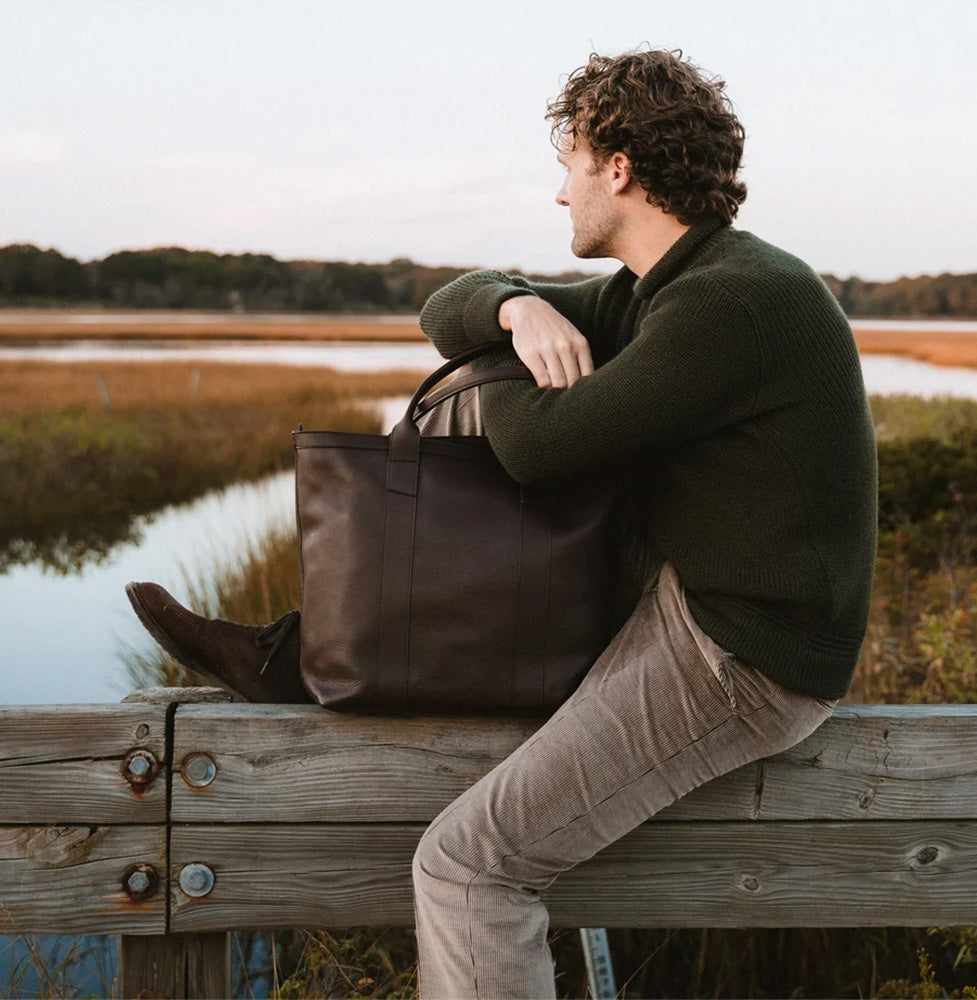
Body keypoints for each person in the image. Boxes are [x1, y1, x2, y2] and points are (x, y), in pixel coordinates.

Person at [127, 48, 877, 998]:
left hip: (743, 661)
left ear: (621, 168)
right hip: (690, 601)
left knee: (467, 870)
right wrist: (518, 308)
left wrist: (514, 355)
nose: (560, 193)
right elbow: (449, 309)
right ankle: (303, 654)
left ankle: (310, 656)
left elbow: (542, 451)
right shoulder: (655, 287)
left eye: (570, 162)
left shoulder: (734, 300)